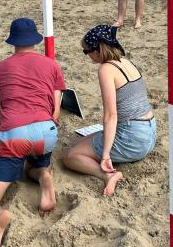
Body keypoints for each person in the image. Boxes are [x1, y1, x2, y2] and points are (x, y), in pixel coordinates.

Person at [0, 18, 66, 247]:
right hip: (46, 131)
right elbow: (56, 110)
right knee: (31, 165)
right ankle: (43, 176)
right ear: (35, 40)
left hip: (15, 132)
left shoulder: (1, 68)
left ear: (13, 41)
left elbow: (1, 107)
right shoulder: (52, 64)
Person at [63, 25, 155, 196]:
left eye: (86, 51)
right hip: (149, 131)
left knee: (71, 157)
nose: (87, 55)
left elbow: (111, 115)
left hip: (132, 136)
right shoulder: (126, 62)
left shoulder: (106, 69)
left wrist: (105, 155)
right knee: (79, 143)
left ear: (97, 51)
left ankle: (107, 176)